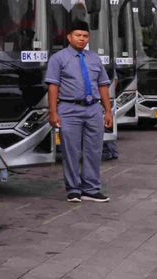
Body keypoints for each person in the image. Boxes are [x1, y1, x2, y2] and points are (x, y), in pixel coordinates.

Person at [47, 19, 113, 202]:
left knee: (94, 150)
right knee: (71, 150)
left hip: (93, 109)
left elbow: (103, 85)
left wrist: (108, 111)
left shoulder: (94, 58)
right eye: (78, 35)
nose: (82, 39)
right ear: (69, 37)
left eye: (85, 36)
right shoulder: (58, 58)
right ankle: (73, 189)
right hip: (69, 108)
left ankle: (91, 189)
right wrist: (53, 112)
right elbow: (53, 86)